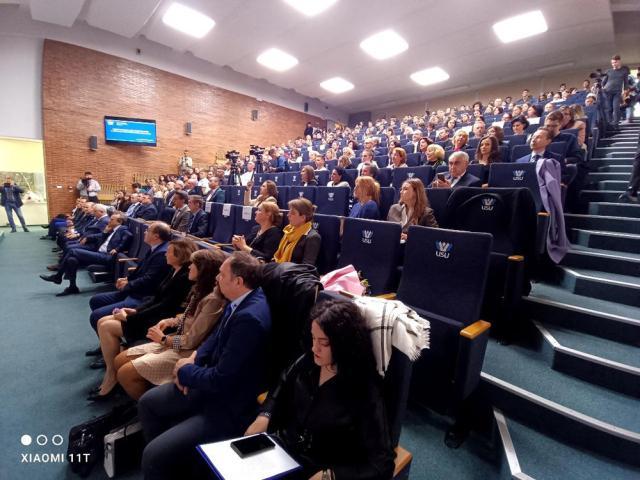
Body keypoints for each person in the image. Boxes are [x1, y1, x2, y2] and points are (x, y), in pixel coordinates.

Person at [138, 252, 271, 480]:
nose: (217, 278)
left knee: (153, 455)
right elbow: (214, 339)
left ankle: (166, 462)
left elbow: (221, 379)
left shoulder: (250, 317)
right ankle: (176, 466)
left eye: (222, 274)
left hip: (227, 403)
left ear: (238, 281)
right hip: (205, 378)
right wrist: (193, 358)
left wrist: (185, 371)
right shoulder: (240, 300)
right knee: (147, 403)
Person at [244, 300, 395, 480]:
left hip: (321, 469)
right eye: (313, 338)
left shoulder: (364, 388)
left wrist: (331, 476)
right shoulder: (308, 360)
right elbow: (280, 387)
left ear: (343, 343)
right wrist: (265, 415)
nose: (314, 347)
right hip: (284, 454)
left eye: (323, 342)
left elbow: (382, 464)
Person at [88, 238, 198, 400]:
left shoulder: (184, 278)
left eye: (169, 251)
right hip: (160, 319)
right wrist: (135, 311)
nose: (165, 254)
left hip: (163, 324)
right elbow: (156, 298)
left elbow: (165, 308)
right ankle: (111, 371)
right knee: (103, 321)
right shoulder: (174, 270)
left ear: (179, 255)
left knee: (106, 326)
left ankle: (111, 375)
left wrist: (131, 318)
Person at [114, 249, 226, 400]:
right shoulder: (199, 289)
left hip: (187, 351)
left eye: (193, 264)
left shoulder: (213, 300)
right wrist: (169, 321)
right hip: (176, 341)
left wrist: (163, 339)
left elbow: (193, 340)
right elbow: (188, 317)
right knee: (120, 359)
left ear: (203, 270)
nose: (189, 267)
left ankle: (143, 408)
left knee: (125, 373)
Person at [86, 222, 172, 336]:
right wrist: (126, 279)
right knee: (95, 300)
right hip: (135, 290)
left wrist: (128, 284)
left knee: (96, 316)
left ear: (156, 236)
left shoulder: (161, 253)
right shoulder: (154, 248)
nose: (145, 232)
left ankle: (111, 340)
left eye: (148, 230)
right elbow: (140, 270)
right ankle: (108, 338)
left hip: (142, 296)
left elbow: (149, 279)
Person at [39, 213, 131, 296]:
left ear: (119, 222)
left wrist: (118, 248)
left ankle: (58, 277)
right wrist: (105, 232)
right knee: (72, 260)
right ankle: (72, 287)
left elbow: (129, 235)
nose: (109, 221)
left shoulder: (122, 229)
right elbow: (102, 239)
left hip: (106, 256)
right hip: (99, 253)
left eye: (112, 219)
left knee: (72, 251)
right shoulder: (112, 229)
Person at [273, 198, 321, 265]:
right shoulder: (289, 231)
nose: (288, 215)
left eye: (292, 213)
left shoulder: (312, 237)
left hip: (292, 273)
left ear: (303, 217)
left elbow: (306, 266)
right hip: (279, 267)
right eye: (289, 212)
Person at [602, 54, 629, 128]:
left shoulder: (624, 71)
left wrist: (625, 90)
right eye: (613, 63)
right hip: (607, 92)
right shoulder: (608, 71)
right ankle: (609, 123)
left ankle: (615, 124)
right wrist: (602, 88)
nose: (614, 64)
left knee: (616, 107)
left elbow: (626, 82)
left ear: (619, 62)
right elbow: (603, 82)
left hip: (617, 92)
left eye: (615, 62)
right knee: (609, 108)